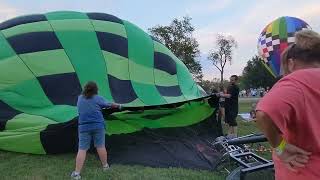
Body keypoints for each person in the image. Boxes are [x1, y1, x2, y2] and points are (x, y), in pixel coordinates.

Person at [255, 30, 320, 179]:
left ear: (291, 63)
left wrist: (280, 147)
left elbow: (264, 113)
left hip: (304, 171)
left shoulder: (296, 81)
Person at [71, 81, 121, 180]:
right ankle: (105, 167)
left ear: (85, 89)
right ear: (96, 90)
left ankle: (77, 173)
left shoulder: (79, 98)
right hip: (98, 126)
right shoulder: (97, 98)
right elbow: (109, 104)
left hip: (84, 127)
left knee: (82, 149)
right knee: (100, 146)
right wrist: (119, 106)